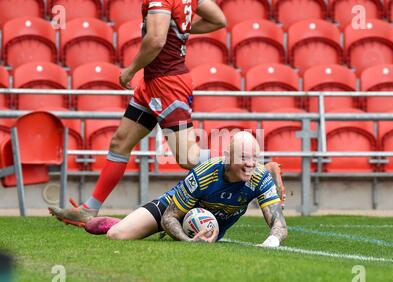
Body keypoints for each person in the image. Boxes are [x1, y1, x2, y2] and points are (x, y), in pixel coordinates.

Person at [48, 0, 227, 221]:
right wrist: (185, 28)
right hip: (152, 83)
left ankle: (250, 161)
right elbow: (219, 20)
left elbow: (156, 40)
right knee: (120, 142)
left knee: (188, 157)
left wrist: (131, 70)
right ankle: (89, 209)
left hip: (167, 84)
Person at [50, 132, 288, 247]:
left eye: (254, 158)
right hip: (172, 207)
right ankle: (115, 222)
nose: (250, 164)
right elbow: (170, 217)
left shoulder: (259, 176)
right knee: (115, 235)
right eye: (243, 157)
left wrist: (272, 241)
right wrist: (186, 241)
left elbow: (278, 222)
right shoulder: (204, 174)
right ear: (227, 157)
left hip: (204, 223)